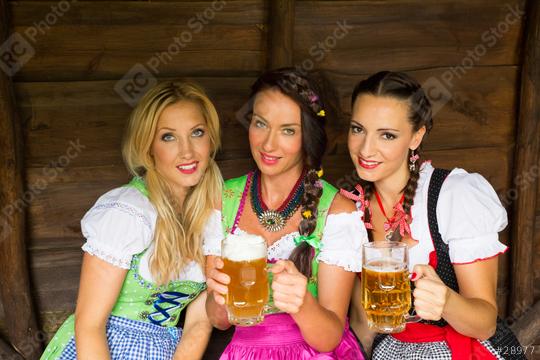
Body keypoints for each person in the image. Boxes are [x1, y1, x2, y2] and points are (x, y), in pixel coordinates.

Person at [344, 71, 524, 359]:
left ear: (416, 136)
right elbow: (363, 325)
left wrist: (447, 302)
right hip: (388, 352)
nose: (366, 149)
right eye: (358, 129)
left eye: (387, 135)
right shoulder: (350, 209)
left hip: (462, 350)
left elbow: (486, 323)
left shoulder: (453, 195)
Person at [41, 81, 224, 360]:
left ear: (210, 139)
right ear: (147, 146)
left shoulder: (213, 215)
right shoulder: (128, 211)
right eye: (168, 137)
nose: (187, 151)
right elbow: (90, 325)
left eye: (197, 133)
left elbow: (199, 322)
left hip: (165, 351)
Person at [204, 68, 367, 359]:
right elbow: (219, 320)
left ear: (309, 137)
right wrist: (218, 296)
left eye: (288, 130)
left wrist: (303, 303)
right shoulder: (221, 198)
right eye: (260, 123)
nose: (268, 144)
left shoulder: (337, 212)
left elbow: (329, 337)